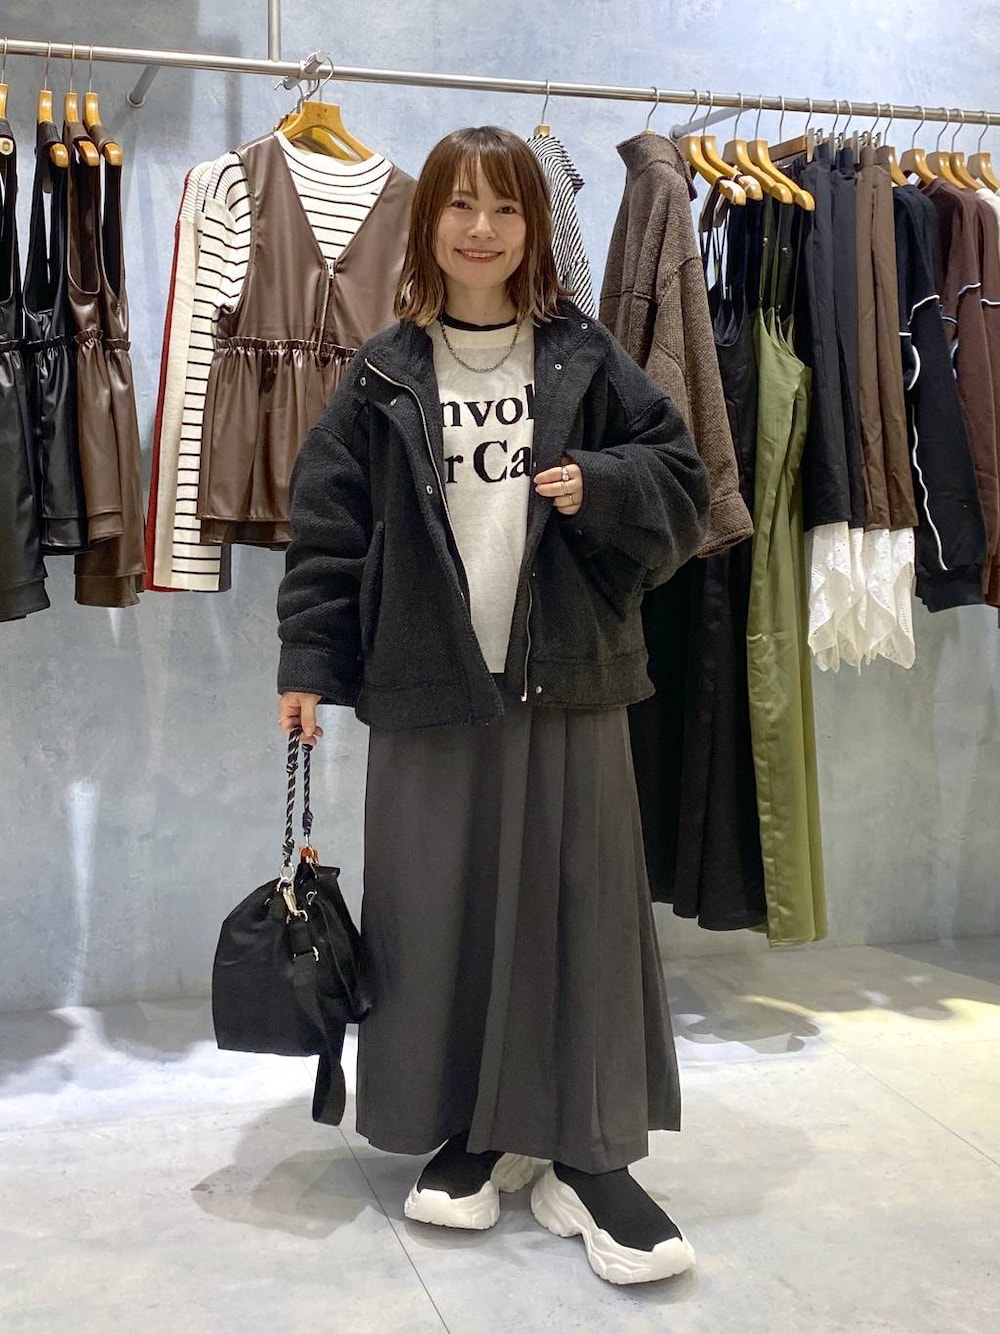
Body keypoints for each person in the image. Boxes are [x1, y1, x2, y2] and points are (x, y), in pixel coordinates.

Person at [276, 125, 710, 1285]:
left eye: (506, 208)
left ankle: (590, 1154)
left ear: (534, 225)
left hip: (569, 676)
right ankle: (469, 1127)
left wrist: (600, 483)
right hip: (428, 684)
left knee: (581, 908)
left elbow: (684, 482)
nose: (481, 229)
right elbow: (327, 532)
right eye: (460, 205)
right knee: (436, 912)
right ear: (427, 223)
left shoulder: (583, 354)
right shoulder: (383, 371)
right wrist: (306, 666)